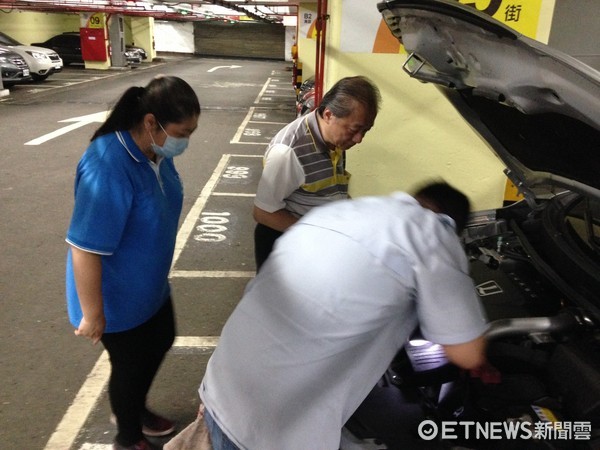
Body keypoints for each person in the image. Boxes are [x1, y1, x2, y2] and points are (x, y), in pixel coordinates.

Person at [199, 181, 488, 450]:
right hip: (265, 422)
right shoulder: (433, 232)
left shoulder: (342, 211)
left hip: (224, 380)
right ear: (452, 224)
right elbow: (468, 354)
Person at [65, 76, 201, 450]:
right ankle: (127, 436)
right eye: (182, 131)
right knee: (130, 365)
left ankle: (133, 409)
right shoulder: (108, 166)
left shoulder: (156, 153)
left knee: (161, 339)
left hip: (149, 284)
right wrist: (93, 314)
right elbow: (85, 247)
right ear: (150, 122)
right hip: (115, 294)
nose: (186, 140)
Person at [253, 75, 381, 270]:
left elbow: (329, 188)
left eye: (366, 131)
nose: (358, 139)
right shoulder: (288, 152)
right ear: (329, 115)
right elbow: (263, 213)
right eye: (355, 129)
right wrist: (318, 232)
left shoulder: (333, 140)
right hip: (284, 245)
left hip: (315, 242)